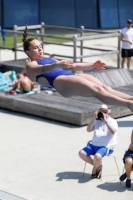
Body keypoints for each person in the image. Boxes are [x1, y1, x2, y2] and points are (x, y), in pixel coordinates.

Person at [22, 25, 133, 111]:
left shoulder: (52, 60)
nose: (40, 49)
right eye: (36, 48)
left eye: (40, 46)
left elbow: (73, 66)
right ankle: (128, 105)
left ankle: (131, 99)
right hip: (61, 82)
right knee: (97, 90)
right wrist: (57, 65)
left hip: (72, 76)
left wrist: (92, 65)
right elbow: (43, 69)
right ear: (28, 52)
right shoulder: (30, 65)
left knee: (105, 87)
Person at [79, 104, 118, 179]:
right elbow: (88, 130)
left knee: (97, 156)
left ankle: (94, 170)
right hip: (94, 145)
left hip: (106, 146)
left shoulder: (112, 121)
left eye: (104, 112)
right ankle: (98, 166)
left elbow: (113, 131)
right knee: (81, 153)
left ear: (107, 113)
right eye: (101, 112)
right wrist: (93, 119)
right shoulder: (97, 121)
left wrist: (106, 122)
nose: (102, 114)